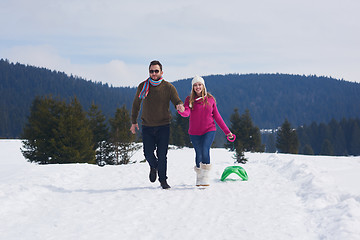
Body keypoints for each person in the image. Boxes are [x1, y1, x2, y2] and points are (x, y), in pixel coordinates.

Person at [130, 60, 184, 189]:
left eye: (156, 71)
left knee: (162, 155)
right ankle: (153, 166)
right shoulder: (143, 86)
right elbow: (136, 105)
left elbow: (176, 100)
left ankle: (163, 180)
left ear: (161, 72)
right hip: (147, 126)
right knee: (148, 153)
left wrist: (179, 105)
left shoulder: (168, 87)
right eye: (151, 71)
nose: (153, 73)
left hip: (163, 126)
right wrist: (133, 122)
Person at [177, 75, 233, 186]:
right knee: (198, 153)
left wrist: (227, 132)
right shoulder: (189, 99)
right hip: (194, 132)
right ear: (193, 87)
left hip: (209, 129)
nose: (197, 87)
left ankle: (205, 177)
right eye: (195, 85)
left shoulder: (210, 99)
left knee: (204, 149)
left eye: (199, 84)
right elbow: (187, 113)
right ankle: (199, 176)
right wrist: (182, 110)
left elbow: (217, 116)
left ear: (203, 86)